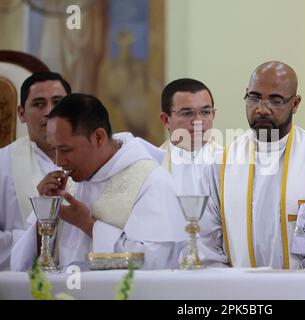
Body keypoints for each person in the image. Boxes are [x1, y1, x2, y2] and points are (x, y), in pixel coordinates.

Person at [201, 61, 305, 271]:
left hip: (302, 294)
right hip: (239, 295)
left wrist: (298, 288)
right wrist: (230, 286)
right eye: (254, 98)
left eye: (276, 100)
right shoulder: (222, 163)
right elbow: (206, 239)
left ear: (295, 103)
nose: (262, 109)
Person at [11, 94, 186, 271]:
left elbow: (155, 263)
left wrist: (87, 224)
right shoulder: (66, 181)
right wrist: (45, 216)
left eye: (65, 149)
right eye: (54, 149)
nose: (58, 161)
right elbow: (21, 264)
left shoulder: (151, 181)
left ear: (99, 137)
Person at [0, 72, 71, 270]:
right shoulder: (3, 163)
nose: (50, 111)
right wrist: (33, 239)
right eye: (39, 104)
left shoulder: (94, 161)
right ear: (21, 113)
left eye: (58, 102)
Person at [159, 78, 222, 194]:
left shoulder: (228, 164)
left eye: (206, 112)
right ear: (166, 120)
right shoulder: (152, 166)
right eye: (188, 113)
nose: (198, 121)